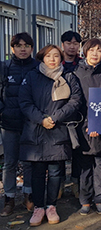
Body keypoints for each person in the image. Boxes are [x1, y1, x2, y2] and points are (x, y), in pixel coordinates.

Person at [18, 45, 82, 226]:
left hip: (58, 129)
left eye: (56, 56)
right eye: (48, 56)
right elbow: (24, 102)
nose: (52, 59)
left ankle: (51, 206)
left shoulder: (68, 77)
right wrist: (41, 119)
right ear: (42, 58)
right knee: (38, 172)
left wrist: (55, 117)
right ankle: (38, 207)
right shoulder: (31, 76)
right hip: (36, 130)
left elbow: (75, 100)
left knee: (56, 171)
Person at [0, 32, 39, 217]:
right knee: (9, 162)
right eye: (18, 45)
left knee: (29, 161)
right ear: (12, 48)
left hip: (31, 124)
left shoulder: (38, 67)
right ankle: (9, 198)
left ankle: (29, 194)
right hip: (9, 124)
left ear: (32, 48)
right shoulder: (4, 67)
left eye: (26, 45)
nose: (22, 49)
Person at [73, 38, 101, 216]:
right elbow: (75, 102)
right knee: (85, 165)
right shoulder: (76, 72)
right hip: (83, 126)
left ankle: (100, 198)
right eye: (92, 50)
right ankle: (85, 200)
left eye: (99, 50)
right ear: (85, 51)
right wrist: (88, 123)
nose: (95, 53)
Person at [59, 30, 82, 199]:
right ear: (62, 45)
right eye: (69, 43)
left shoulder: (82, 65)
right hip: (58, 117)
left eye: (75, 43)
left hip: (79, 116)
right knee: (59, 153)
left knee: (78, 153)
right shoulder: (55, 64)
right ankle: (58, 185)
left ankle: (76, 183)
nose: (72, 46)